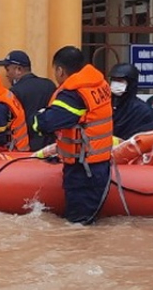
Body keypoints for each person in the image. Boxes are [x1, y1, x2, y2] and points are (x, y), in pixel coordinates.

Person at [32, 47, 115, 225]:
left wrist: (38, 118)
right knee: (89, 223)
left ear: (60, 70)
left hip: (83, 171)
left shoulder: (74, 94)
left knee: (78, 228)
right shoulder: (99, 84)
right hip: (100, 164)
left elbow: (46, 123)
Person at [0, 49, 58, 149]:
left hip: (26, 148)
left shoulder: (14, 92)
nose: (7, 75)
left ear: (18, 69)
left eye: (8, 70)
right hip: (51, 147)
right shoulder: (49, 85)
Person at [107, 62, 153, 141]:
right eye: (113, 80)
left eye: (120, 81)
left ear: (131, 84)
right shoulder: (105, 104)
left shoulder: (141, 110)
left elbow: (151, 138)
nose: (115, 84)